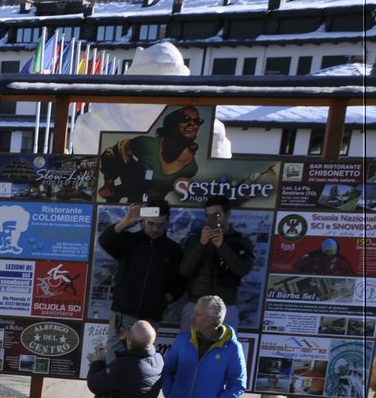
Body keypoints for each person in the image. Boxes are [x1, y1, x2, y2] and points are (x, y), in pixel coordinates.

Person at [98, 201, 183, 336]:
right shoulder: (130, 240)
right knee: (114, 356)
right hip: (123, 315)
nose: (155, 229)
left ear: (168, 222)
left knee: (143, 357)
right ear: (144, 220)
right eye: (151, 223)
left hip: (150, 319)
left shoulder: (174, 250)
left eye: (160, 224)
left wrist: (165, 298)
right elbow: (104, 241)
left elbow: (181, 282)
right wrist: (125, 222)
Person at [97, 105, 203, 204]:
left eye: (197, 121)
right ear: (173, 123)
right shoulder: (147, 144)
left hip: (155, 212)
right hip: (125, 207)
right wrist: (109, 182)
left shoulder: (191, 169)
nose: (192, 124)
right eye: (185, 119)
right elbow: (112, 153)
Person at [177, 197, 256, 330]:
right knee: (189, 348)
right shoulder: (195, 239)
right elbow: (184, 271)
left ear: (228, 214)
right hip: (196, 304)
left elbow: (243, 270)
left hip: (226, 306)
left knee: (223, 349)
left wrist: (222, 246)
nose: (212, 219)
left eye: (217, 215)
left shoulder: (239, 241)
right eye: (208, 216)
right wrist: (201, 244)